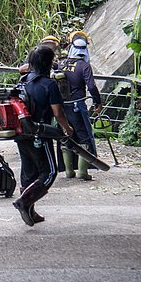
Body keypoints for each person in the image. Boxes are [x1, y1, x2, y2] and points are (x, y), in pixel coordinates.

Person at [12, 45, 74, 226]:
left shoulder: (23, 81)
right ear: (49, 63)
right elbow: (58, 113)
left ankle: (30, 211)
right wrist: (67, 129)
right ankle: (24, 202)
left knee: (29, 172)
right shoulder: (49, 85)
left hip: (21, 133)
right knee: (49, 172)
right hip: (40, 134)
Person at [59, 31, 104, 180]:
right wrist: (98, 101)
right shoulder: (84, 66)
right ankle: (83, 172)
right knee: (83, 137)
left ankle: (68, 171)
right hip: (77, 105)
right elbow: (91, 86)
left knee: (67, 135)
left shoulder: (63, 64)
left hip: (62, 106)